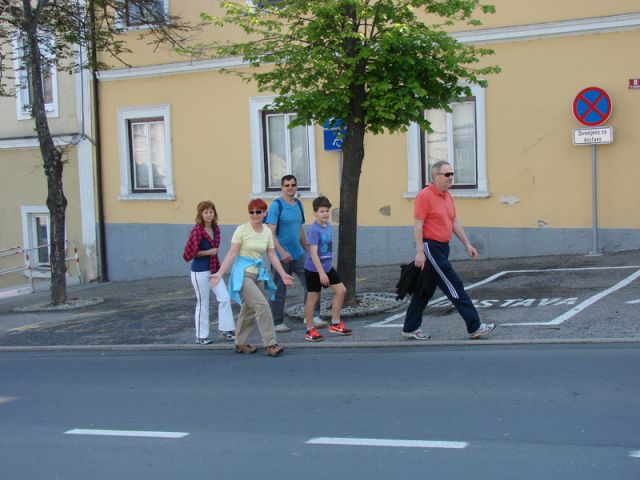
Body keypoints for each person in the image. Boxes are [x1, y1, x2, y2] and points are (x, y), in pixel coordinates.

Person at [403, 161, 496, 340]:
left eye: (452, 174)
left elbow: (454, 221)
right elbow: (418, 224)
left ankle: (410, 327)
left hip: (443, 248)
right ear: (436, 177)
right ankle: (474, 327)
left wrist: (467, 244)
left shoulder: (447, 196)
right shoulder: (425, 196)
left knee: (425, 289)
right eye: (447, 174)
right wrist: (420, 252)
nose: (451, 177)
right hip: (431, 248)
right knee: (455, 286)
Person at [210, 199, 294, 357]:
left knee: (248, 309)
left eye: (258, 211)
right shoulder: (242, 230)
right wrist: (219, 274)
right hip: (243, 275)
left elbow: (271, 254)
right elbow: (232, 253)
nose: (255, 215)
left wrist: (283, 274)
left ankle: (240, 343)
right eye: (251, 212)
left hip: (258, 274)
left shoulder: (267, 232)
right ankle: (271, 344)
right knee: (262, 306)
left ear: (264, 213)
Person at [266, 174, 326, 333]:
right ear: (282, 187)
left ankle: (311, 316)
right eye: (287, 185)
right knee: (280, 289)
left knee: (312, 281)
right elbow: (270, 233)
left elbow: (299, 230)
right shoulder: (276, 205)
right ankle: (277, 322)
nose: (290, 187)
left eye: (293, 185)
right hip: (281, 256)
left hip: (298, 254)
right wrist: (282, 252)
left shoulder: (298, 204)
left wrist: (308, 250)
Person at [183, 201, 235, 344]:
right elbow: (190, 253)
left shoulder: (216, 229)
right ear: (200, 214)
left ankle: (225, 329)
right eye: (205, 212)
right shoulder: (197, 231)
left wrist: (213, 255)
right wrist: (209, 252)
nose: (209, 214)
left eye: (211, 212)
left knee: (224, 297)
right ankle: (201, 336)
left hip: (214, 270)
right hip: (199, 271)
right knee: (203, 303)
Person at [303, 196, 351, 342]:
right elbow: (313, 253)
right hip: (314, 269)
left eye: (327, 211)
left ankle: (335, 323)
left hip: (327, 267)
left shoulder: (327, 226)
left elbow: (327, 249)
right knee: (313, 298)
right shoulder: (313, 230)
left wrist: (329, 266)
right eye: (322, 211)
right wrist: (321, 273)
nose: (325, 214)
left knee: (341, 290)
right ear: (315, 213)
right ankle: (309, 330)